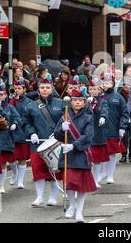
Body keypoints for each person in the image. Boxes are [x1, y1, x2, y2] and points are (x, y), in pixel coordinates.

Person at [54, 87, 96, 221]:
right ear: (71, 102)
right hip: (67, 154)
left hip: (80, 153)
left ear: (84, 103)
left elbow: (88, 136)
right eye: (75, 100)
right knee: (69, 183)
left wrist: (74, 145)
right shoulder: (65, 116)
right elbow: (57, 135)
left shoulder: (89, 117)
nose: (77, 102)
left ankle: (80, 210)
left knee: (81, 185)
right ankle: (72, 205)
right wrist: (62, 129)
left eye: (80, 100)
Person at [24, 74, 64, 207]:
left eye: (47, 87)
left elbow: (65, 120)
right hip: (38, 143)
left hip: (55, 143)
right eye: (42, 87)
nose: (45, 90)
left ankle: (53, 197)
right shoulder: (31, 106)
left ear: (52, 88)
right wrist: (32, 133)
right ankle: (40, 197)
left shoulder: (61, 103)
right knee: (38, 169)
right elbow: (26, 122)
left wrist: (59, 133)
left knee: (54, 170)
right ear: (38, 89)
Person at [100, 72, 129, 184]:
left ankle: (110, 175)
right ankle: (101, 173)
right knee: (100, 152)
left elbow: (124, 113)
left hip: (113, 129)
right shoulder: (99, 96)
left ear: (112, 84)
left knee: (111, 153)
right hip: (100, 130)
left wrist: (122, 127)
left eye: (108, 82)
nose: (106, 84)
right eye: (104, 82)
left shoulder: (118, 97)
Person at [0, 82, 22, 194]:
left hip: (6, 138)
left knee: (3, 162)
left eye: (1, 94)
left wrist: (14, 123)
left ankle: (1, 185)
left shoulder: (10, 107)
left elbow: (18, 118)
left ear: (5, 95)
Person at [88, 78, 109, 188]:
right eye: (90, 88)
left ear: (99, 90)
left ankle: (95, 180)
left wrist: (103, 117)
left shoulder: (102, 100)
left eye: (95, 89)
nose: (92, 91)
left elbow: (104, 109)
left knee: (97, 160)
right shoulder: (84, 100)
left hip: (98, 131)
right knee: (88, 159)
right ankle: (89, 180)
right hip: (86, 132)